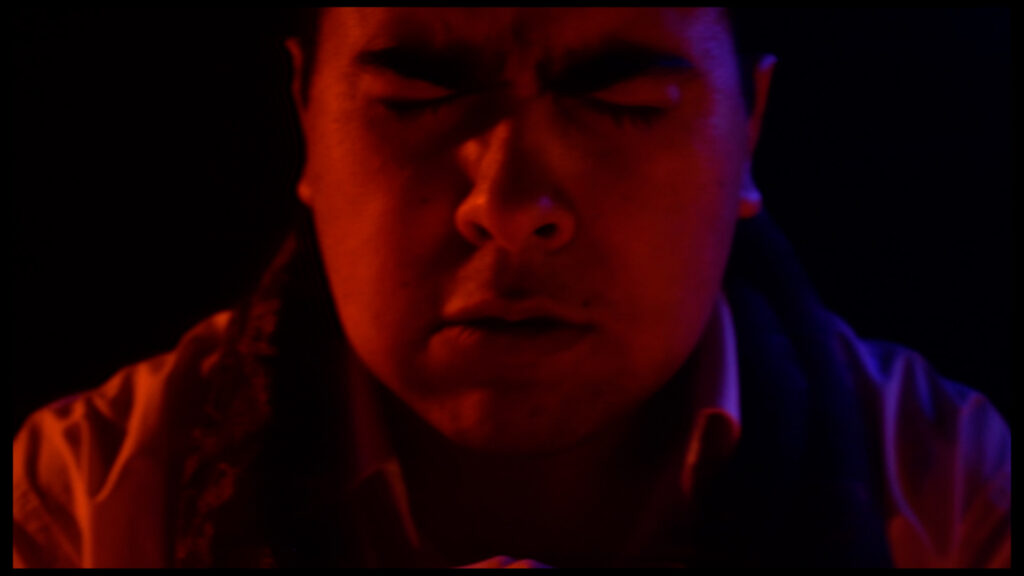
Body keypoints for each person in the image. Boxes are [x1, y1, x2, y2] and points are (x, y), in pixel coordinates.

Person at [12, 8, 1010, 568]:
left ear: (749, 126)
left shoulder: (952, 493)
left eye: (626, 101)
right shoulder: (81, 508)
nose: (510, 202)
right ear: (305, 117)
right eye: (413, 98)